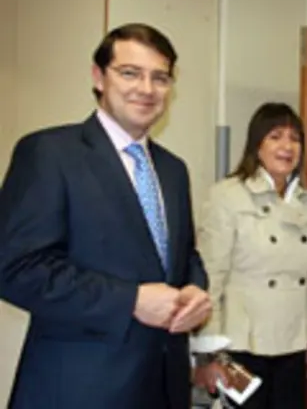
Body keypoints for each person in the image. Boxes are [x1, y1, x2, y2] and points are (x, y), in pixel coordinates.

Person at [0, 23, 211, 409]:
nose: (146, 89)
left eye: (160, 78)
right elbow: (15, 268)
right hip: (80, 389)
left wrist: (196, 291)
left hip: (164, 387)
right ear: (99, 77)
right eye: (130, 73)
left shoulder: (173, 170)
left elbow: (184, 255)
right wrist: (129, 300)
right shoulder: (49, 153)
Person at [193, 102, 307, 408]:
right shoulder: (226, 196)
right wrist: (208, 355)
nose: (287, 146)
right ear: (257, 144)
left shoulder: (305, 201)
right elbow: (209, 276)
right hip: (240, 346)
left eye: (295, 138)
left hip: (291, 343)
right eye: (276, 136)